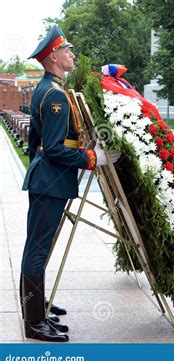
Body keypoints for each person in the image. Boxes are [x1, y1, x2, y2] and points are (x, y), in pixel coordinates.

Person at [21, 25, 120, 342]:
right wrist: (93, 159)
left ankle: (38, 310)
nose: (72, 54)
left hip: (48, 181)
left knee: (40, 248)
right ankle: (34, 323)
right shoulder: (54, 96)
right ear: (53, 57)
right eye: (67, 50)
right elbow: (52, 148)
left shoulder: (50, 89)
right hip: (50, 182)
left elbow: (35, 142)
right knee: (37, 250)